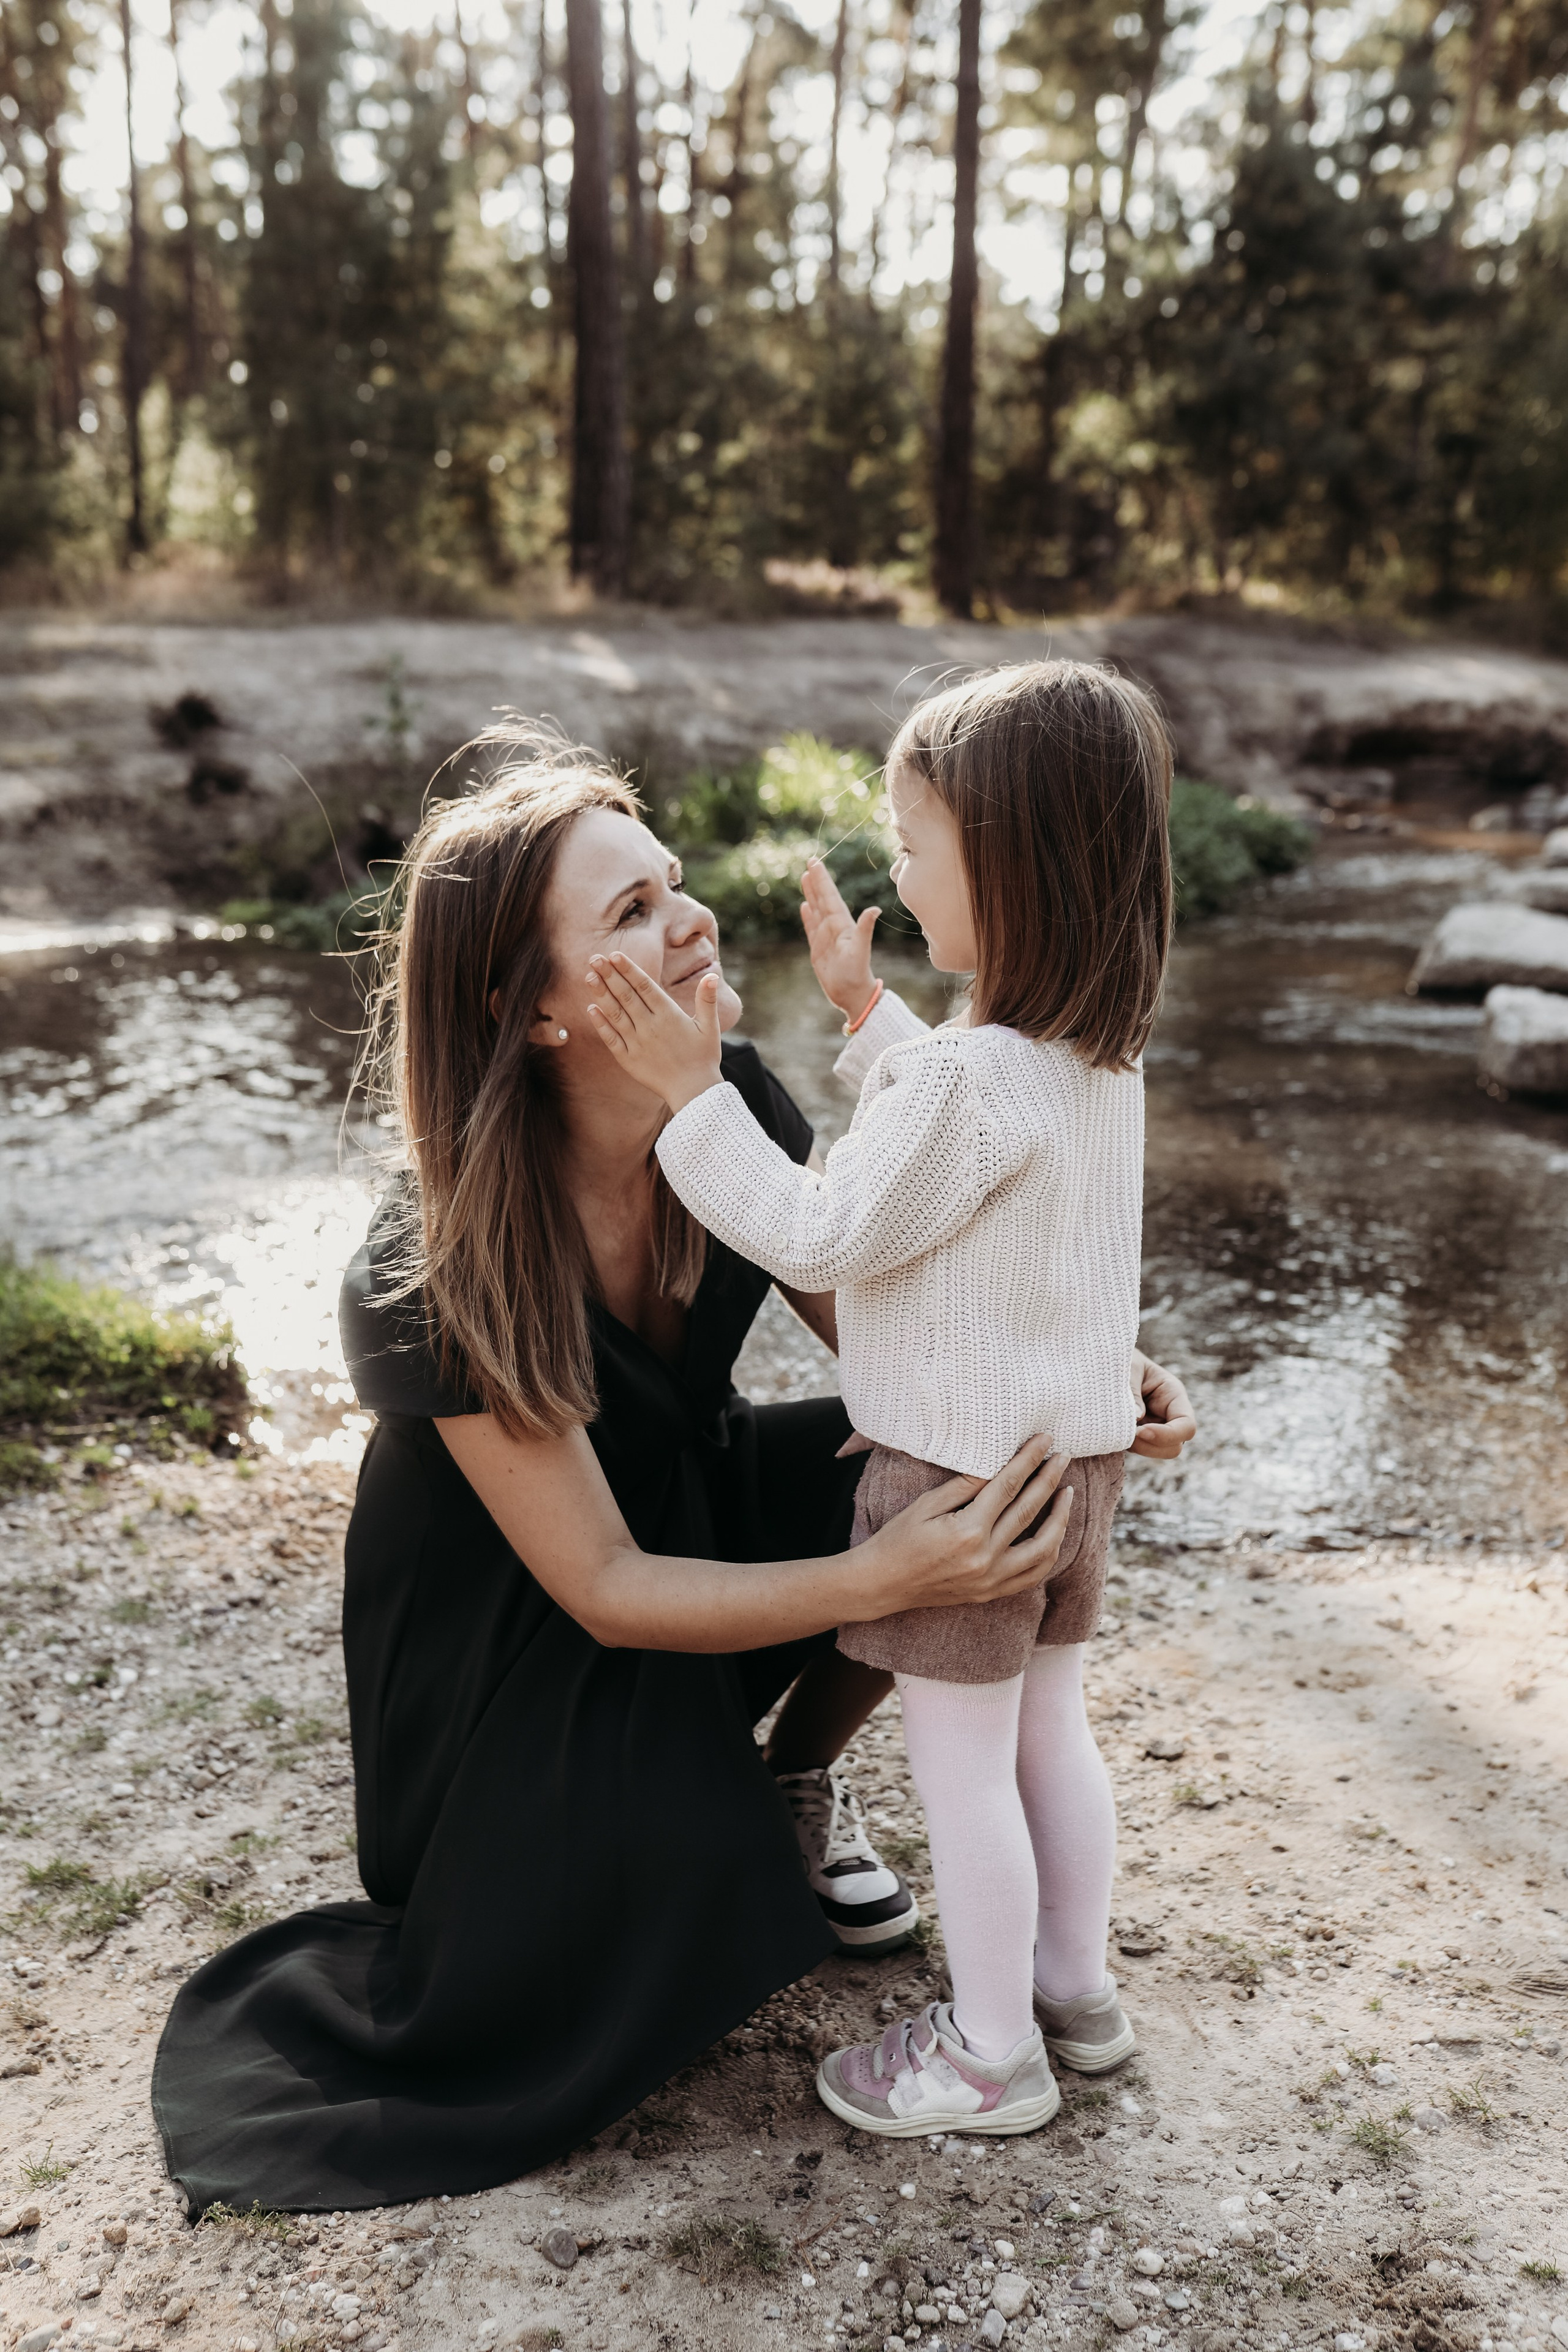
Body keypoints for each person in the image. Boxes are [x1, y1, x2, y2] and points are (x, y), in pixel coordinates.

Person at [152, 729, 1196, 2216]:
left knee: (951, 1479)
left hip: (678, 1521)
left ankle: (792, 1782)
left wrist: (1098, 1378)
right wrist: (883, 1578)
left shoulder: (740, 1108)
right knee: (665, 1878)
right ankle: (705, 1815)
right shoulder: (423, 1263)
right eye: (630, 916)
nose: (693, 921)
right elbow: (601, 1585)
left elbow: (916, 1339)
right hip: (512, 1642)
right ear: (534, 1015)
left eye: (675, 886)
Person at [586, 662, 1174, 2138]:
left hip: (956, 1487)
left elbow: (816, 1233)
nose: (896, 880)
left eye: (915, 851)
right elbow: (971, 1134)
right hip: (1073, 1469)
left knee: (958, 1768)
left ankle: (987, 2056)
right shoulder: (1092, 1062)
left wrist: (689, 1100)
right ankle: (1072, 1996)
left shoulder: (965, 1088)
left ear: (1015, 866)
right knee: (1054, 1733)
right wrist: (866, 1009)